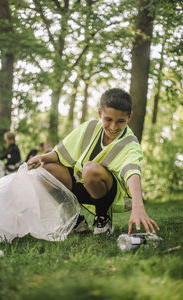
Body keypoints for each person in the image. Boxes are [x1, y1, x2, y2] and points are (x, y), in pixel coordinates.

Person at [27, 88, 159, 235]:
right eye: (108, 119)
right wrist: (42, 157)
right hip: (80, 184)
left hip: (106, 191)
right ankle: (74, 220)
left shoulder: (131, 144)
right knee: (45, 169)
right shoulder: (89, 127)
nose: (113, 127)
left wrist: (138, 205)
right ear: (100, 113)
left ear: (129, 117)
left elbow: (132, 173)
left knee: (89, 169)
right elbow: (60, 154)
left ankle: (103, 217)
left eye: (120, 121)